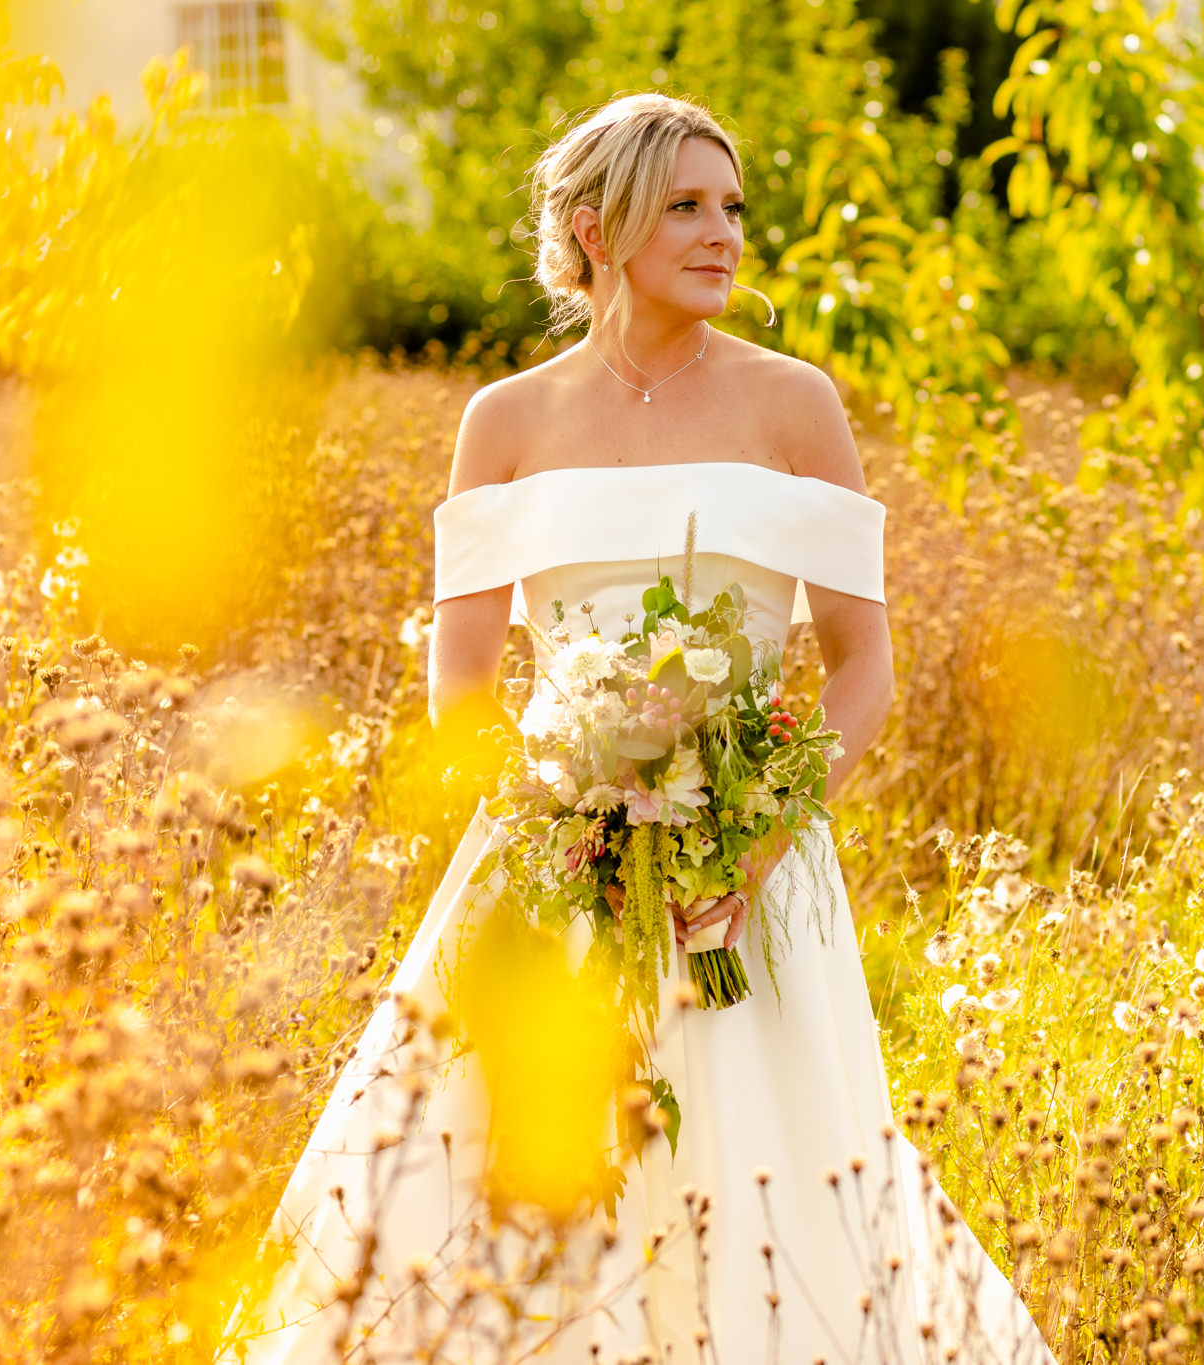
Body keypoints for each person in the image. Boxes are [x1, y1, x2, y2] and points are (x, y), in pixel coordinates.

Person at [220, 92, 1054, 1365]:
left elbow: (862, 668)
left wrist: (748, 843)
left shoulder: (796, 409)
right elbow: (463, 694)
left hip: (750, 883)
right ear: (589, 227)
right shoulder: (501, 425)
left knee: (768, 1178)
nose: (722, 233)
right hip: (552, 866)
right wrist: (578, 831)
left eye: (731, 207)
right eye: (684, 206)